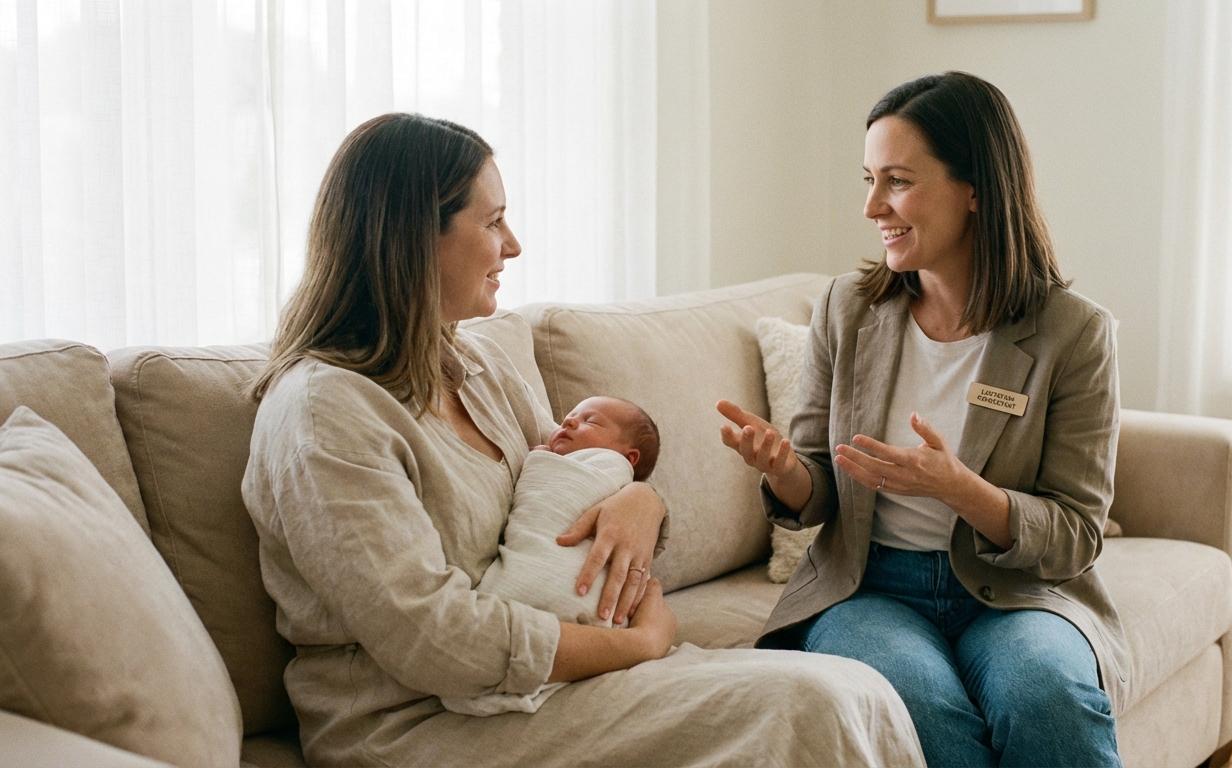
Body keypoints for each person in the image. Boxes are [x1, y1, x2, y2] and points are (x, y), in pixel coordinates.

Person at [242, 113, 923, 766]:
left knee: (856, 690)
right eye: (494, 221)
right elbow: (433, 640)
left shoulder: (475, 366)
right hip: (415, 722)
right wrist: (640, 645)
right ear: (414, 238)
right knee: (813, 704)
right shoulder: (322, 416)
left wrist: (641, 504)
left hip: (541, 686)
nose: (514, 245)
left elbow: (573, 481)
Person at [719, 72, 1129, 767]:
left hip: (1016, 593)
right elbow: (820, 489)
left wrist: (960, 488)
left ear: (975, 190)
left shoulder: (1072, 333)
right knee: (917, 708)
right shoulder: (847, 309)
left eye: (898, 181)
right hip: (869, 588)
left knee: (1047, 696)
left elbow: (1075, 536)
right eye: (869, 179)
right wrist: (787, 470)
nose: (873, 205)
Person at [442, 396, 660, 716]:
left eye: (591, 421)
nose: (567, 423)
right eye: (567, 418)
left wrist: (645, 496)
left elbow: (614, 490)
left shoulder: (606, 467)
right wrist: (646, 641)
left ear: (628, 457)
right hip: (498, 639)